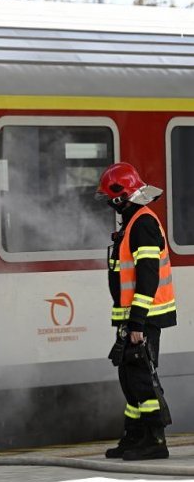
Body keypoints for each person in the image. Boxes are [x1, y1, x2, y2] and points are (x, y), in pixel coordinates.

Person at [96, 162, 176, 461]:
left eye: (110, 199)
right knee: (129, 376)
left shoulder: (142, 223)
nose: (108, 204)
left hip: (145, 316)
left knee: (142, 375)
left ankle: (155, 439)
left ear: (121, 196)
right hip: (133, 317)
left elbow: (147, 276)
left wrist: (137, 322)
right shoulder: (132, 223)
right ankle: (135, 435)